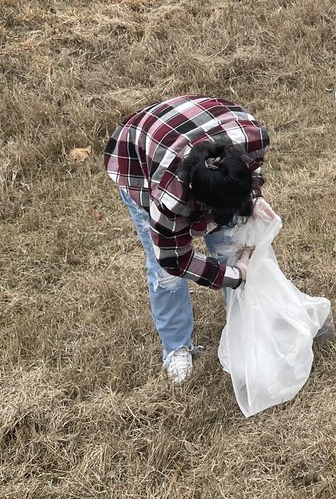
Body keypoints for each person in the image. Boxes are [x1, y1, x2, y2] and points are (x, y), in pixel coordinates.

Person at [105, 95, 275, 383]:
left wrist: (253, 198)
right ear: (197, 201)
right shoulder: (169, 200)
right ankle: (176, 348)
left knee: (230, 241)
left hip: (193, 121)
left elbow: (252, 169)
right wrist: (234, 276)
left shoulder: (252, 139)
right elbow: (175, 261)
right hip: (138, 153)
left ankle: (249, 325)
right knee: (165, 276)